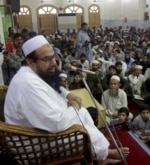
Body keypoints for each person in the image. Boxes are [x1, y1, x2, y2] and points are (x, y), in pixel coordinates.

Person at [4, 35, 129, 165]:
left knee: (84, 113)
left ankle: (98, 155)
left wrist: (68, 95)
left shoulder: (34, 71)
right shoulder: (28, 84)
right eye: (46, 59)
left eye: (53, 56)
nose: (53, 62)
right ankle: (104, 153)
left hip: (41, 126)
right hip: (34, 141)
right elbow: (56, 123)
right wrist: (73, 107)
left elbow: (52, 84)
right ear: (30, 61)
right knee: (83, 131)